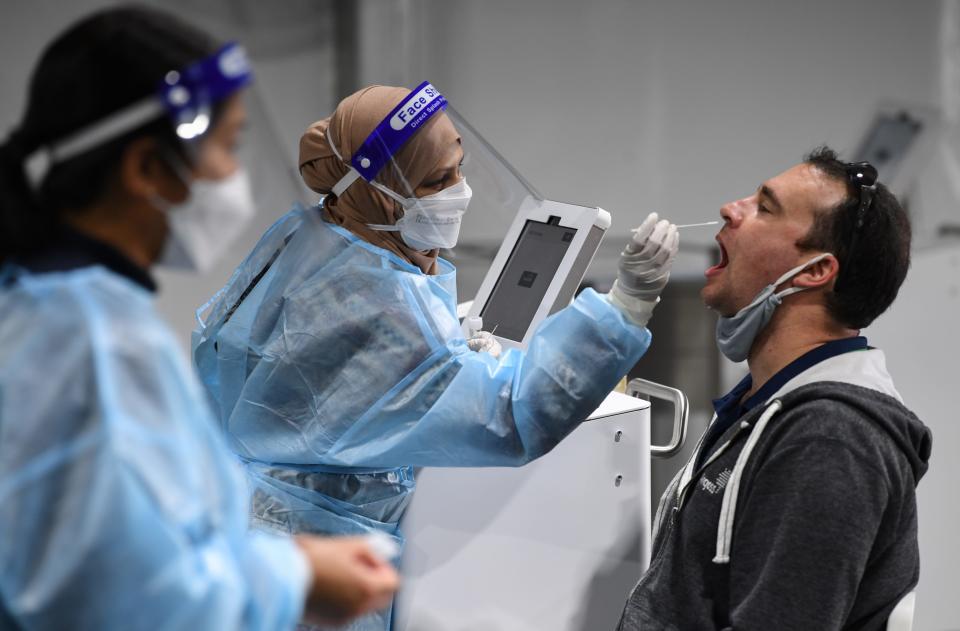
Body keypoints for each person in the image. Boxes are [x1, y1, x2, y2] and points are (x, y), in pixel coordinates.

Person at [191, 84, 679, 630]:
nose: (459, 191)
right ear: (378, 191)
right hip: (319, 567)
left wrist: (441, 351)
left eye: (460, 169)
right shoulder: (382, 300)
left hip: (247, 527)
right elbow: (511, 414)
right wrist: (626, 305)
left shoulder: (312, 232)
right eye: (436, 180)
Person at [0, 7, 397, 630]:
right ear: (147, 169)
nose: (234, 177)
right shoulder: (93, 341)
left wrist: (282, 558)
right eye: (228, 147)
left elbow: (141, 539)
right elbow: (125, 600)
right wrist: (297, 581)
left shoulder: (42, 300)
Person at [617, 147, 933, 630]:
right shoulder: (764, 409)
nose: (730, 209)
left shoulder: (830, 437)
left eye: (765, 207)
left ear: (813, 272)